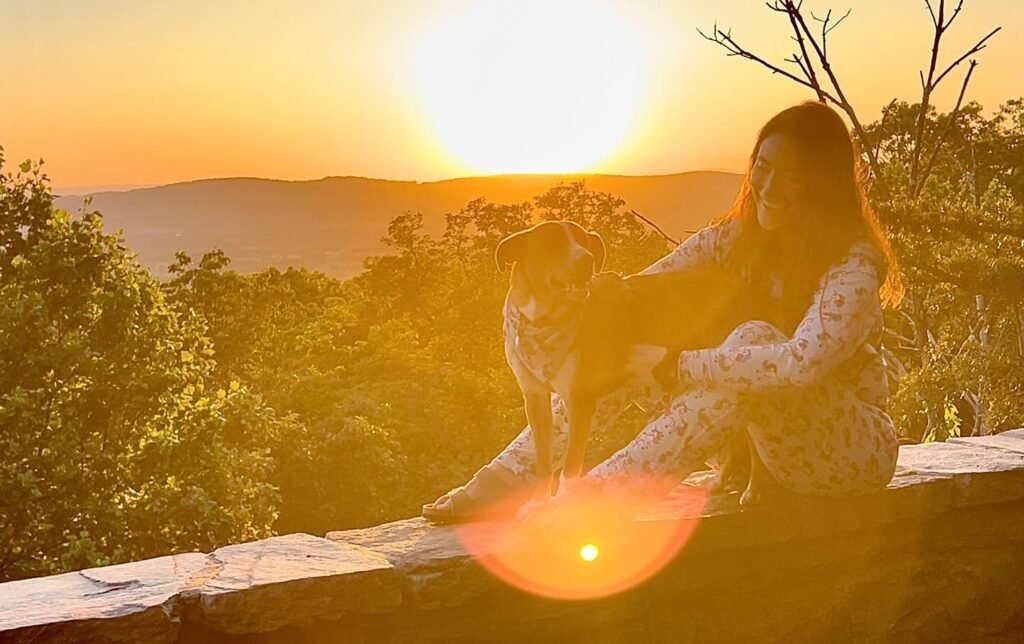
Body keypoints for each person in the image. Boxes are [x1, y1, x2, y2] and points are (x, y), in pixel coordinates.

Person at [421, 100, 904, 523]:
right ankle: (514, 475)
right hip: (768, 451)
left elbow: (802, 363)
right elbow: (640, 293)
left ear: (823, 185)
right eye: (763, 166)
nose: (769, 186)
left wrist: (678, 365)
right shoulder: (735, 241)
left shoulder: (851, 266)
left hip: (852, 455)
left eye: (792, 176)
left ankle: (593, 502)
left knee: (749, 341)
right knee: (622, 350)